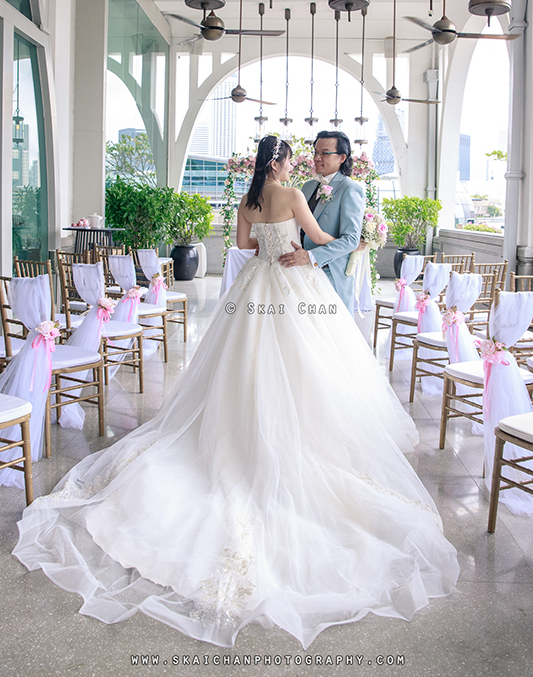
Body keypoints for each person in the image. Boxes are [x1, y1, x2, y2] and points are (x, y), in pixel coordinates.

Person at [13, 135, 459, 650]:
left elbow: (245, 246)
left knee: (240, 363)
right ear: (283, 163)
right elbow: (314, 238)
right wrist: (309, 248)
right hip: (295, 285)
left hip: (257, 286)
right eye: (297, 156)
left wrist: (278, 243)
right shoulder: (295, 193)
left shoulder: (247, 200)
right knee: (308, 365)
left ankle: (238, 433)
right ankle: (299, 436)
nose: (305, 163)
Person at [278, 130, 365, 314]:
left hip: (330, 274)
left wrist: (311, 257)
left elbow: (351, 240)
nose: (317, 158)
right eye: (315, 152)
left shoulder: (350, 189)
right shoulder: (308, 186)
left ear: (342, 157)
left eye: (324, 153)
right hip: (300, 273)